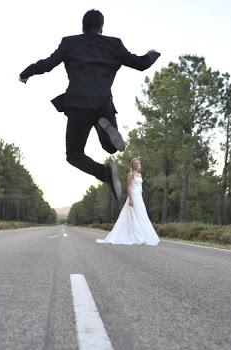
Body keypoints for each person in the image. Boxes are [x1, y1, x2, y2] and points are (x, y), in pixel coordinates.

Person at [18, 9, 160, 199]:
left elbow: (47, 64)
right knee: (110, 148)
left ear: (82, 27)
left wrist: (26, 73)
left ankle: (104, 173)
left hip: (79, 105)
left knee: (74, 154)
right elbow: (141, 63)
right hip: (103, 104)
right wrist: (153, 54)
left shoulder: (70, 42)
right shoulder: (114, 44)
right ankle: (107, 129)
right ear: (101, 27)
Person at [96, 158, 160, 245]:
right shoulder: (131, 174)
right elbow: (128, 187)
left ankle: (143, 236)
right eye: (135, 163)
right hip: (133, 196)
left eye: (138, 163)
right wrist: (130, 199)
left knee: (141, 215)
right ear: (132, 165)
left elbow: (140, 187)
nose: (137, 165)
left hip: (139, 197)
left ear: (140, 165)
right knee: (135, 215)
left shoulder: (139, 175)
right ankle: (136, 236)